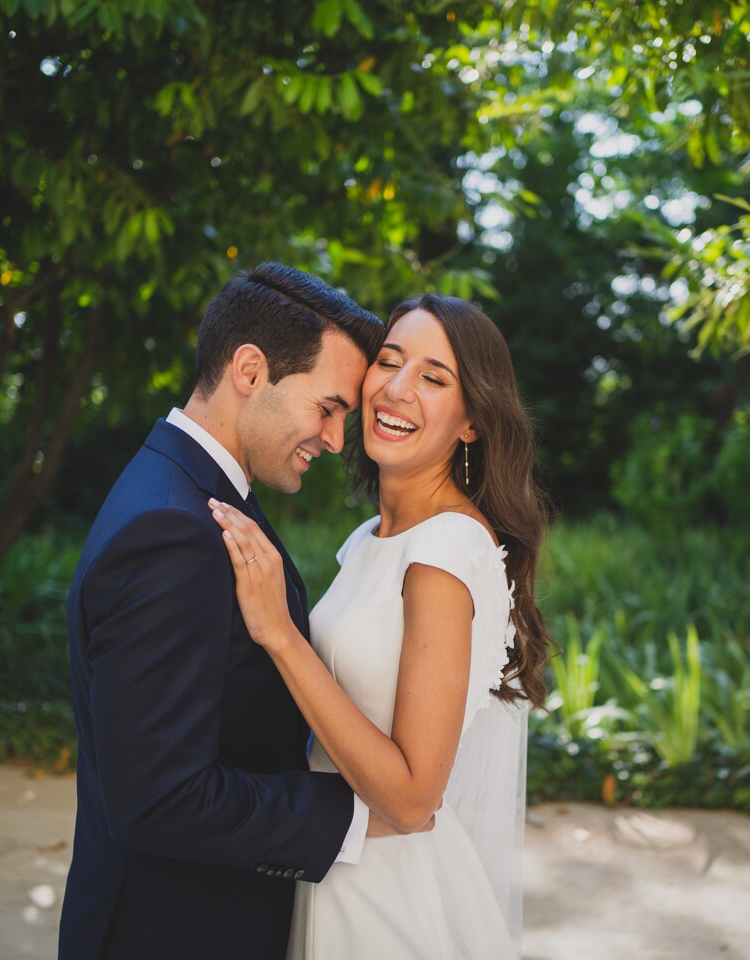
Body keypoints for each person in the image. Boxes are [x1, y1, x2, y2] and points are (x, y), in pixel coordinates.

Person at [58, 263, 390, 959]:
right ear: (249, 370)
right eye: (328, 407)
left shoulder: (191, 486)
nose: (336, 439)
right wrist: (354, 815)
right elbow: (158, 800)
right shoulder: (172, 530)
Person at [211, 293, 553, 959]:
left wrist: (279, 634)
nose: (396, 390)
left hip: (388, 897)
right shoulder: (370, 536)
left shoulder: (445, 554)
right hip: (333, 863)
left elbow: (412, 796)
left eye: (434, 378)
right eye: (389, 362)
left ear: (473, 422)